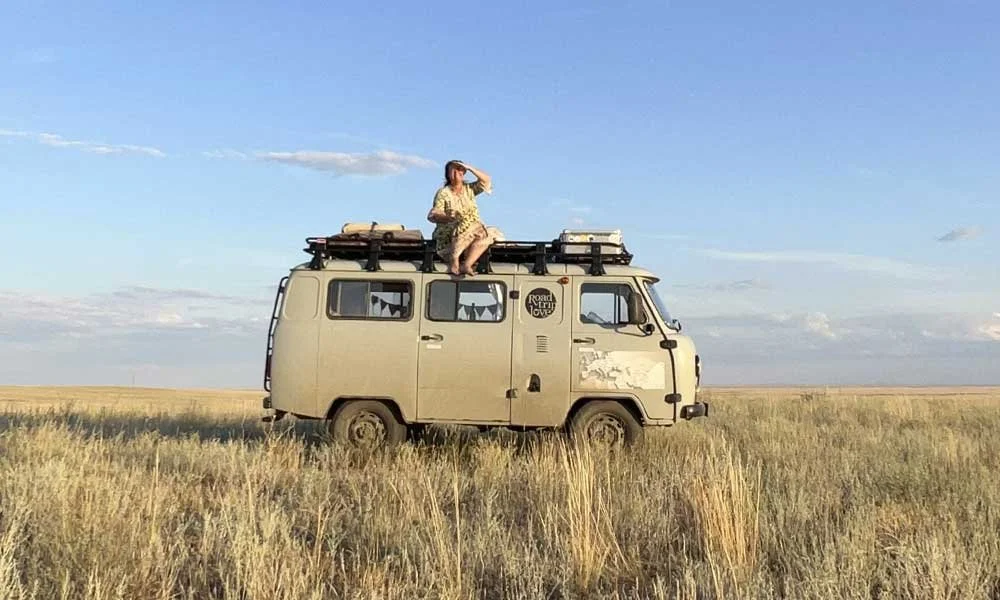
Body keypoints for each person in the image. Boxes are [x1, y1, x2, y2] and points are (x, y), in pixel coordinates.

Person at [427, 160, 497, 276]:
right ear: (448, 175)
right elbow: (434, 214)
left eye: (460, 169)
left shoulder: (469, 189)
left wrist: (470, 168)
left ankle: (467, 264)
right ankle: (454, 257)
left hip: (473, 233)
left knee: (491, 234)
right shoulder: (443, 193)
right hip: (450, 235)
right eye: (453, 170)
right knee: (471, 223)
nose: (457, 172)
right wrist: (448, 217)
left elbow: (486, 180)